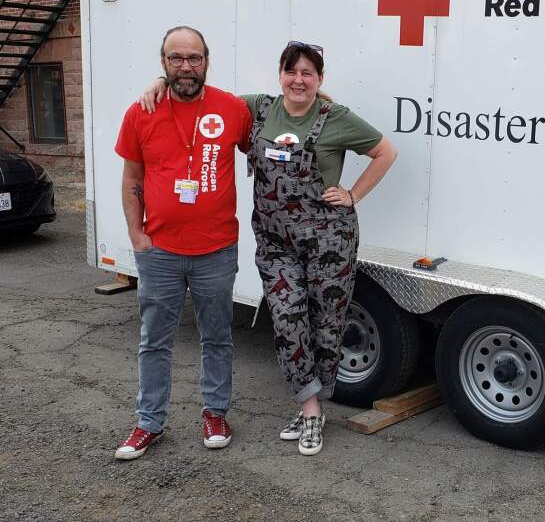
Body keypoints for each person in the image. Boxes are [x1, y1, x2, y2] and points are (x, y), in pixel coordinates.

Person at [140, 41, 397, 456]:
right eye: (291, 71)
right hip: (276, 243)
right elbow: (205, 98)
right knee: (287, 319)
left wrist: (353, 194)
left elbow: (385, 151)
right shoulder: (257, 108)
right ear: (280, 74)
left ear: (320, 79)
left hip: (329, 242)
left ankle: (313, 411)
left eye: (307, 73)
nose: (299, 80)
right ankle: (309, 406)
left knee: (326, 324)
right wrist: (160, 81)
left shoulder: (337, 118)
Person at [114, 26, 252, 460]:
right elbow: (132, 178)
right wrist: (136, 235)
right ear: (163, 63)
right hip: (161, 252)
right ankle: (148, 422)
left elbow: (278, 129)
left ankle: (215, 412)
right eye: (177, 59)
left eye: (194, 58)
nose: (186, 66)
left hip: (216, 249)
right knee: (154, 339)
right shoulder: (141, 112)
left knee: (217, 336)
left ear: (207, 61)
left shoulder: (232, 109)